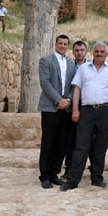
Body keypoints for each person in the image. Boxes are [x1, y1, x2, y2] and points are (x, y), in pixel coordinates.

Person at [61, 42, 108, 190]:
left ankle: (97, 178)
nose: (99, 54)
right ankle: (73, 180)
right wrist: (75, 109)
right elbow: (77, 89)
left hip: (105, 111)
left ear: (106, 54)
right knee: (81, 145)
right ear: (93, 52)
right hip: (87, 111)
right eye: (97, 51)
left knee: (100, 146)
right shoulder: (84, 68)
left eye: (102, 52)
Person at [37, 34, 76, 188]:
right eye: (60, 43)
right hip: (50, 108)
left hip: (66, 109)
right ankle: (45, 175)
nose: (63, 46)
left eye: (65, 44)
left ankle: (54, 173)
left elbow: (74, 85)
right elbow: (45, 83)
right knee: (48, 141)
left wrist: (68, 100)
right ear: (56, 44)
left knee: (62, 143)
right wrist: (59, 100)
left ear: (68, 46)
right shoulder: (46, 61)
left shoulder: (71, 65)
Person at [63, 40, 88, 179]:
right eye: (77, 50)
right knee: (70, 139)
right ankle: (69, 168)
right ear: (73, 52)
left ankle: (92, 167)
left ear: (86, 51)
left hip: (88, 107)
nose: (79, 53)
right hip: (71, 107)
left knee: (90, 139)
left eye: (82, 50)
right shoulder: (68, 67)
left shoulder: (91, 67)